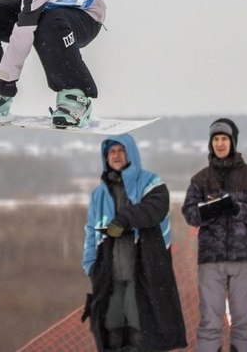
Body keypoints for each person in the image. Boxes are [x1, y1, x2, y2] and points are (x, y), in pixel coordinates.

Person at [82, 134, 187, 352]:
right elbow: (91, 232)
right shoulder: (98, 194)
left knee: (143, 333)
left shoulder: (150, 182)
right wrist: (90, 265)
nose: (116, 155)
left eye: (121, 150)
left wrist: (124, 220)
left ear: (131, 153)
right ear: (105, 157)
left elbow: (155, 209)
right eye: (112, 151)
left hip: (145, 271)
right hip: (109, 274)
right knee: (110, 330)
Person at [181, 118, 247, 352]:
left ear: (233, 142)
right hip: (211, 260)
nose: (220, 144)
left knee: (244, 323)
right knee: (210, 323)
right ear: (210, 144)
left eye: (224, 139)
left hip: (245, 260)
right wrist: (211, 211)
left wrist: (238, 209)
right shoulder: (200, 179)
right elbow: (190, 214)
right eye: (216, 140)